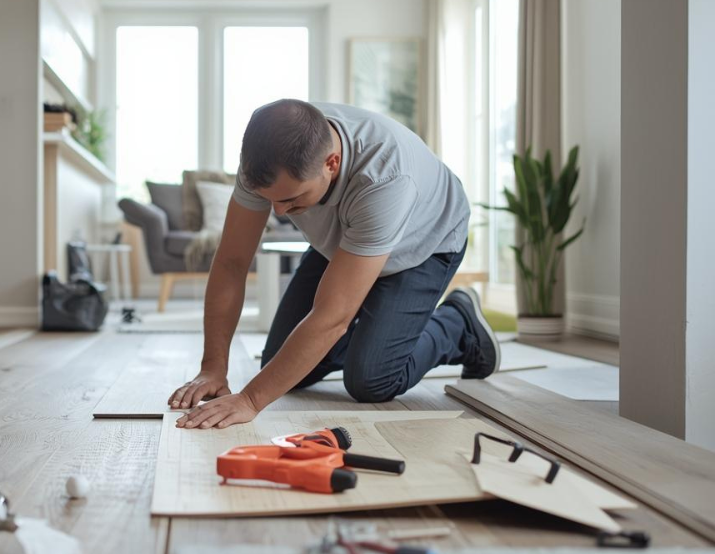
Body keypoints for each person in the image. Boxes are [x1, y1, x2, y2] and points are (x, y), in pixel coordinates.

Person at [169, 99, 500, 430]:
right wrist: (213, 367)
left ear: (332, 163)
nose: (278, 212)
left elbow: (332, 317)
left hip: (423, 242)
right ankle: (377, 335)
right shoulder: (264, 160)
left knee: (372, 379)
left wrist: (250, 400)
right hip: (346, 238)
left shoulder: (385, 177)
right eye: (270, 200)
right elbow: (231, 263)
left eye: (289, 199)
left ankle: (460, 324)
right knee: (280, 365)